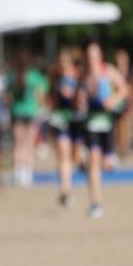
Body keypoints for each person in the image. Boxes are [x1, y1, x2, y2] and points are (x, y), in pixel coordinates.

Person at [81, 40, 129, 218]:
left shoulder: (108, 71)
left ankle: (111, 158)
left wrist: (114, 100)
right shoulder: (85, 76)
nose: (91, 59)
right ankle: (95, 203)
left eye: (94, 56)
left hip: (107, 122)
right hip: (91, 122)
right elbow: (80, 99)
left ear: (100, 56)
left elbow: (124, 89)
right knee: (93, 161)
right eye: (89, 56)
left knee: (106, 163)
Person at [6, 49, 48, 187]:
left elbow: (8, 96)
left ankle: (18, 172)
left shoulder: (12, 75)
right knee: (29, 144)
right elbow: (41, 94)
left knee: (18, 144)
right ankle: (28, 173)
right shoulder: (35, 76)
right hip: (31, 112)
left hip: (17, 111)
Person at [47, 49, 80, 207]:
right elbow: (50, 97)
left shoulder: (78, 76)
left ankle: (69, 181)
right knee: (62, 153)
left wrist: (75, 96)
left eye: (65, 61)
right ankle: (65, 190)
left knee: (74, 156)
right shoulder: (54, 76)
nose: (62, 64)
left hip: (76, 118)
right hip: (60, 118)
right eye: (60, 61)